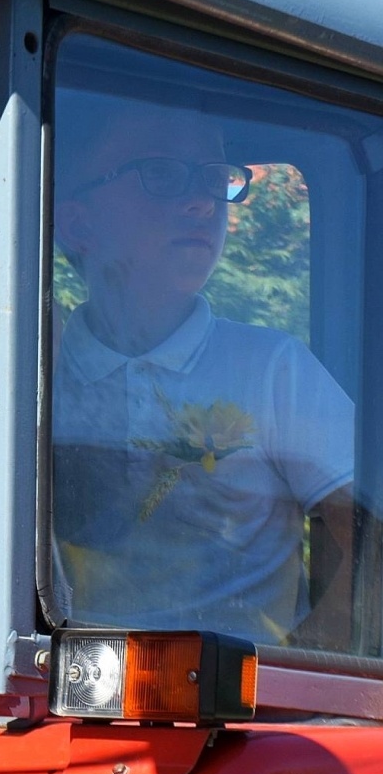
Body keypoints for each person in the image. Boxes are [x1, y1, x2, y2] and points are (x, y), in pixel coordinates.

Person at [51, 91, 355, 648]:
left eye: (215, 179)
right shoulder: (40, 380)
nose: (202, 203)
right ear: (77, 224)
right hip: (71, 694)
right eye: (162, 174)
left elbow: (365, 532)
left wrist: (304, 682)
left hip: (243, 714)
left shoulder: (273, 369)